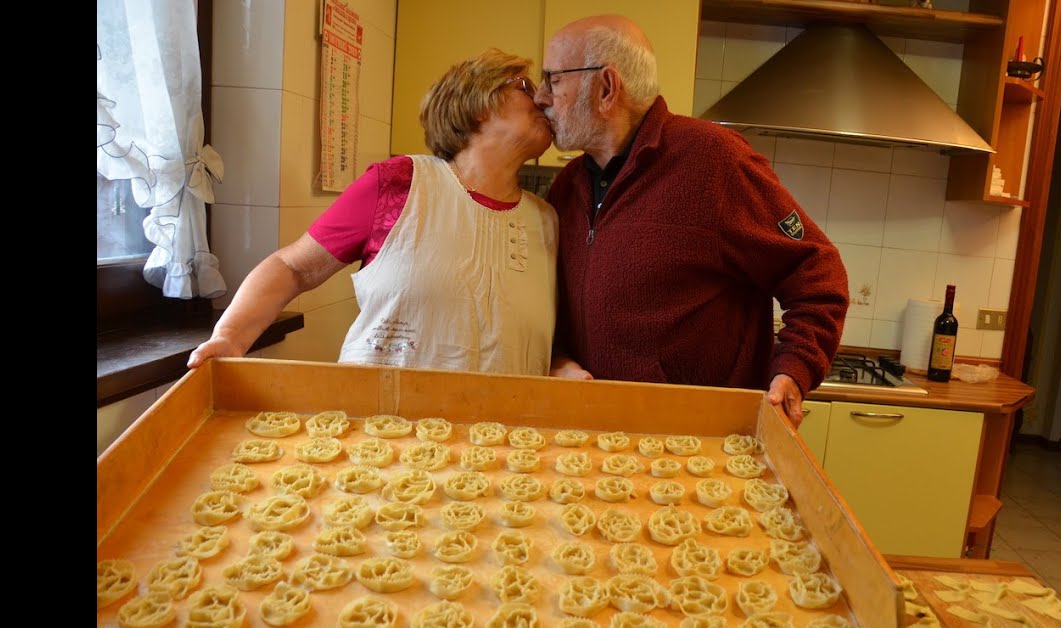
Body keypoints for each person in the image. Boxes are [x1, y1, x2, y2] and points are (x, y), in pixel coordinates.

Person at [535, 15, 850, 426]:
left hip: (700, 443)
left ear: (607, 88)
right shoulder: (567, 186)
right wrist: (558, 357)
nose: (541, 97)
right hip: (595, 434)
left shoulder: (713, 161)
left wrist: (794, 367)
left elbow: (815, 268)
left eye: (553, 80)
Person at [188, 49, 558, 374]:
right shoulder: (399, 184)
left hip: (499, 441)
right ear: (478, 103)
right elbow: (293, 268)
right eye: (525, 87)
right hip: (381, 433)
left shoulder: (546, 221)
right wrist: (231, 337)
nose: (544, 98)